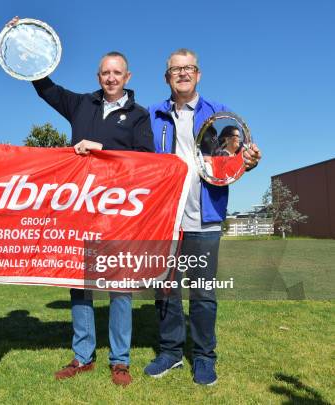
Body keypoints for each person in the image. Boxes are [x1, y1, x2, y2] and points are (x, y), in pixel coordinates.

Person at [8, 17, 154, 387]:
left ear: (128, 76)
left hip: (120, 213)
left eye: (117, 72)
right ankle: (83, 356)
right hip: (81, 211)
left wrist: (102, 150)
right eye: (105, 72)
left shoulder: (139, 116)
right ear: (98, 75)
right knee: (80, 285)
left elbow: (146, 161)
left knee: (120, 289)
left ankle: (120, 360)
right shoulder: (79, 105)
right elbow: (45, 87)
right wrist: (23, 39)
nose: (110, 78)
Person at [146, 48, 261, 385]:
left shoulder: (220, 113)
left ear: (198, 74)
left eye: (189, 68)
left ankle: (204, 357)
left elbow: (234, 155)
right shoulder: (151, 115)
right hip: (165, 219)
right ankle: (169, 352)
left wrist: (248, 159)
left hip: (205, 218)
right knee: (165, 289)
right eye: (175, 69)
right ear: (167, 77)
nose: (182, 73)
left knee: (202, 292)